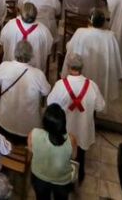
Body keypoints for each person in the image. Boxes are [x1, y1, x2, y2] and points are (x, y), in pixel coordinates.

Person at [46, 54, 104, 182]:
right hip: (83, 129)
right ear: (82, 68)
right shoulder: (92, 85)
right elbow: (100, 106)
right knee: (80, 155)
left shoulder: (60, 85)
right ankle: (79, 176)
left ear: (68, 67)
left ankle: (60, 176)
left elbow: (50, 104)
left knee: (62, 154)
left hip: (64, 129)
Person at [28, 104, 77, 198]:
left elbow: (31, 150)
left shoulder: (33, 133)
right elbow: (73, 156)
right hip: (62, 181)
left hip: (39, 177)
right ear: (63, 122)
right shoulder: (71, 140)